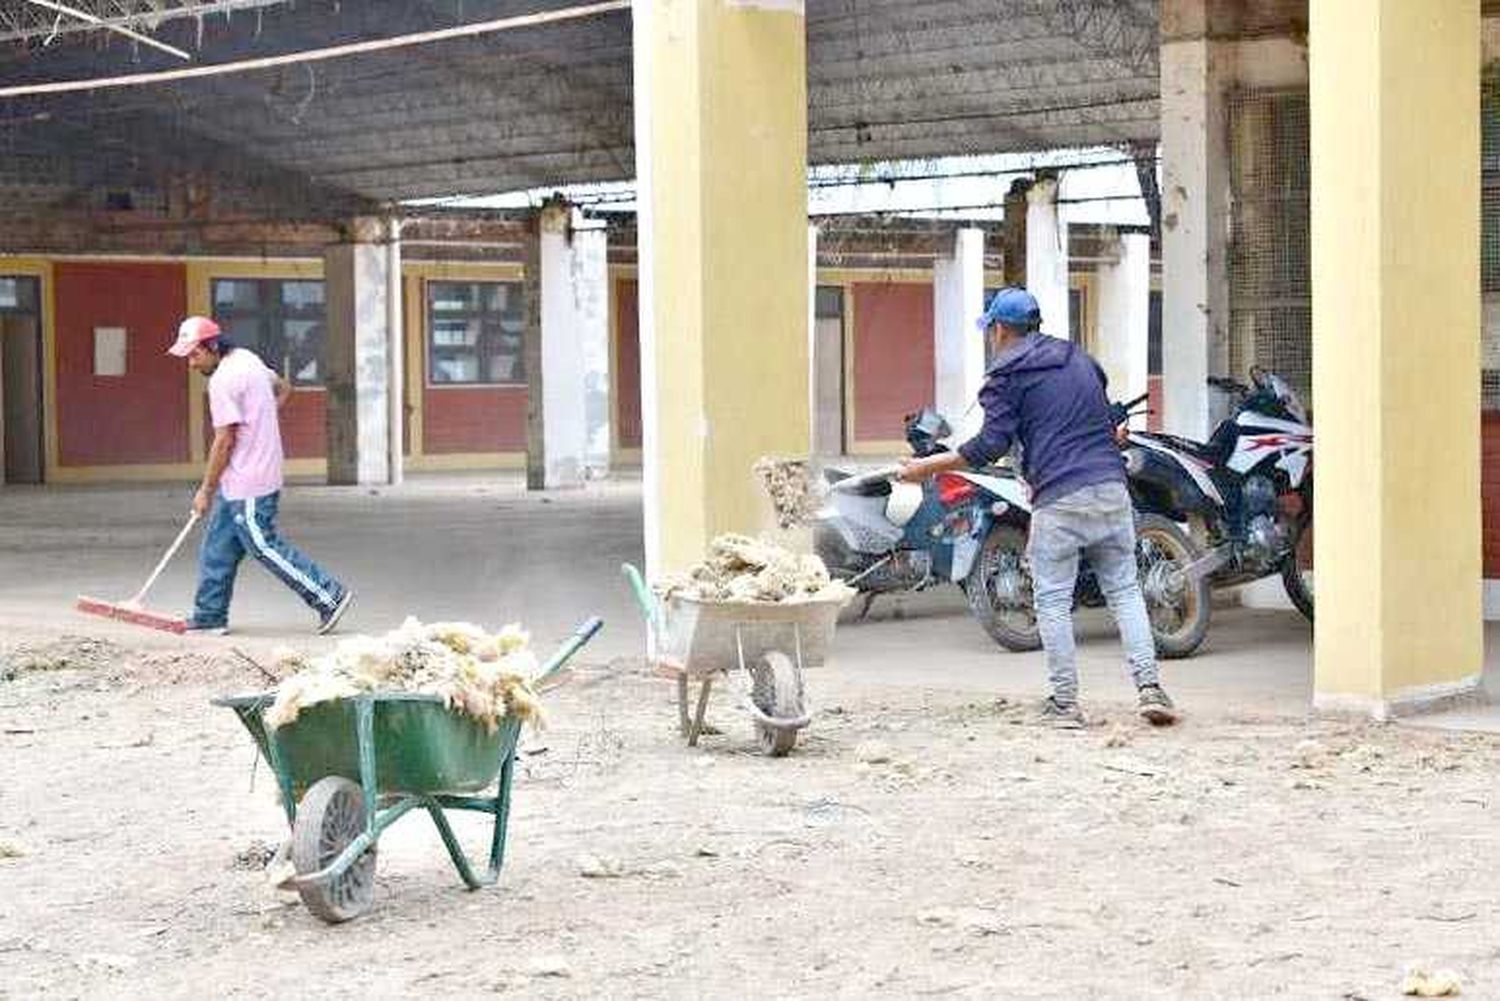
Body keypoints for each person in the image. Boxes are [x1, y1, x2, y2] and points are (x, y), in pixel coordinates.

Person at [896, 288, 1176, 728]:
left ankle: (1065, 703)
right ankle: (1150, 688)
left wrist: (925, 467)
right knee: (1124, 590)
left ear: (1001, 329)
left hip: (1060, 497)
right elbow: (1107, 423)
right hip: (1110, 487)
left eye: (991, 329)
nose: (991, 337)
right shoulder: (1079, 359)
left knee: (1052, 599)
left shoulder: (1006, 377)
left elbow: (989, 446)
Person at [167, 316, 354, 636]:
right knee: (218, 547)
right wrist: (262, 417)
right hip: (242, 477)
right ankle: (210, 614)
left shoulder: (223, 381)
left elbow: (224, 441)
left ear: (212, 346)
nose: (191, 363)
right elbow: (284, 387)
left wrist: (205, 491)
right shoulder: (247, 359)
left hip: (250, 482)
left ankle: (329, 596)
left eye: (195, 354)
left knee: (263, 546)